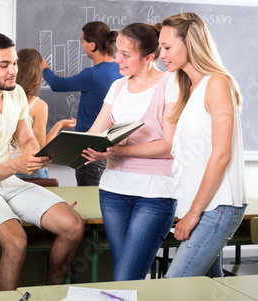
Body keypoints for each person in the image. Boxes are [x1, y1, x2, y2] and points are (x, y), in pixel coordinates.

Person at [0, 32, 84, 290]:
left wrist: (38, 156)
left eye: (16, 63)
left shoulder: (16, 93)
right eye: (4, 65)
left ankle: (49, 291)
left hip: (8, 181)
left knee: (73, 225)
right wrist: (16, 165)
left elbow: (27, 140)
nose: (14, 71)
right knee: (16, 241)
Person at [82, 23, 178, 281]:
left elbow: (168, 146)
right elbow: (95, 133)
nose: (116, 59)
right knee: (127, 274)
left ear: (148, 58)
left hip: (154, 193)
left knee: (125, 277)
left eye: (125, 55)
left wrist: (119, 149)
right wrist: (63, 145)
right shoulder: (118, 86)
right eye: (117, 52)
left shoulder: (171, 84)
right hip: (113, 191)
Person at [159, 12, 248, 278]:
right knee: (208, 288)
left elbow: (221, 155)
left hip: (216, 208)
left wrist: (193, 213)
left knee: (175, 287)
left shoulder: (217, 83)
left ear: (191, 43)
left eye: (167, 47)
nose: (161, 54)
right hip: (203, 206)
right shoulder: (191, 89)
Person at [42, 21, 122, 186]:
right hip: (112, 144)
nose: (82, 46)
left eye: (83, 42)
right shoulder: (120, 69)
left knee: (89, 196)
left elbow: (57, 84)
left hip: (91, 148)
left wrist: (44, 68)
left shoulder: (93, 74)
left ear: (92, 45)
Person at [12, 47, 77, 179]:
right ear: (36, 74)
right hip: (30, 171)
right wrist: (58, 126)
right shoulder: (38, 105)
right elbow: (41, 151)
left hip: (6, 169)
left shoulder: (2, 99)